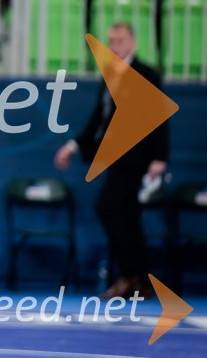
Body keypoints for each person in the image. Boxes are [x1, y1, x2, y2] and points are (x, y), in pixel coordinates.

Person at [54, 22, 168, 299]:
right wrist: (73, 146)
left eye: (119, 41)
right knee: (129, 215)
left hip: (136, 156)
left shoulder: (146, 74)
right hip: (115, 155)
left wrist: (159, 157)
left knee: (108, 206)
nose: (114, 47)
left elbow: (160, 117)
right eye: (111, 41)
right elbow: (100, 118)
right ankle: (141, 282)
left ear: (133, 43)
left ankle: (129, 275)